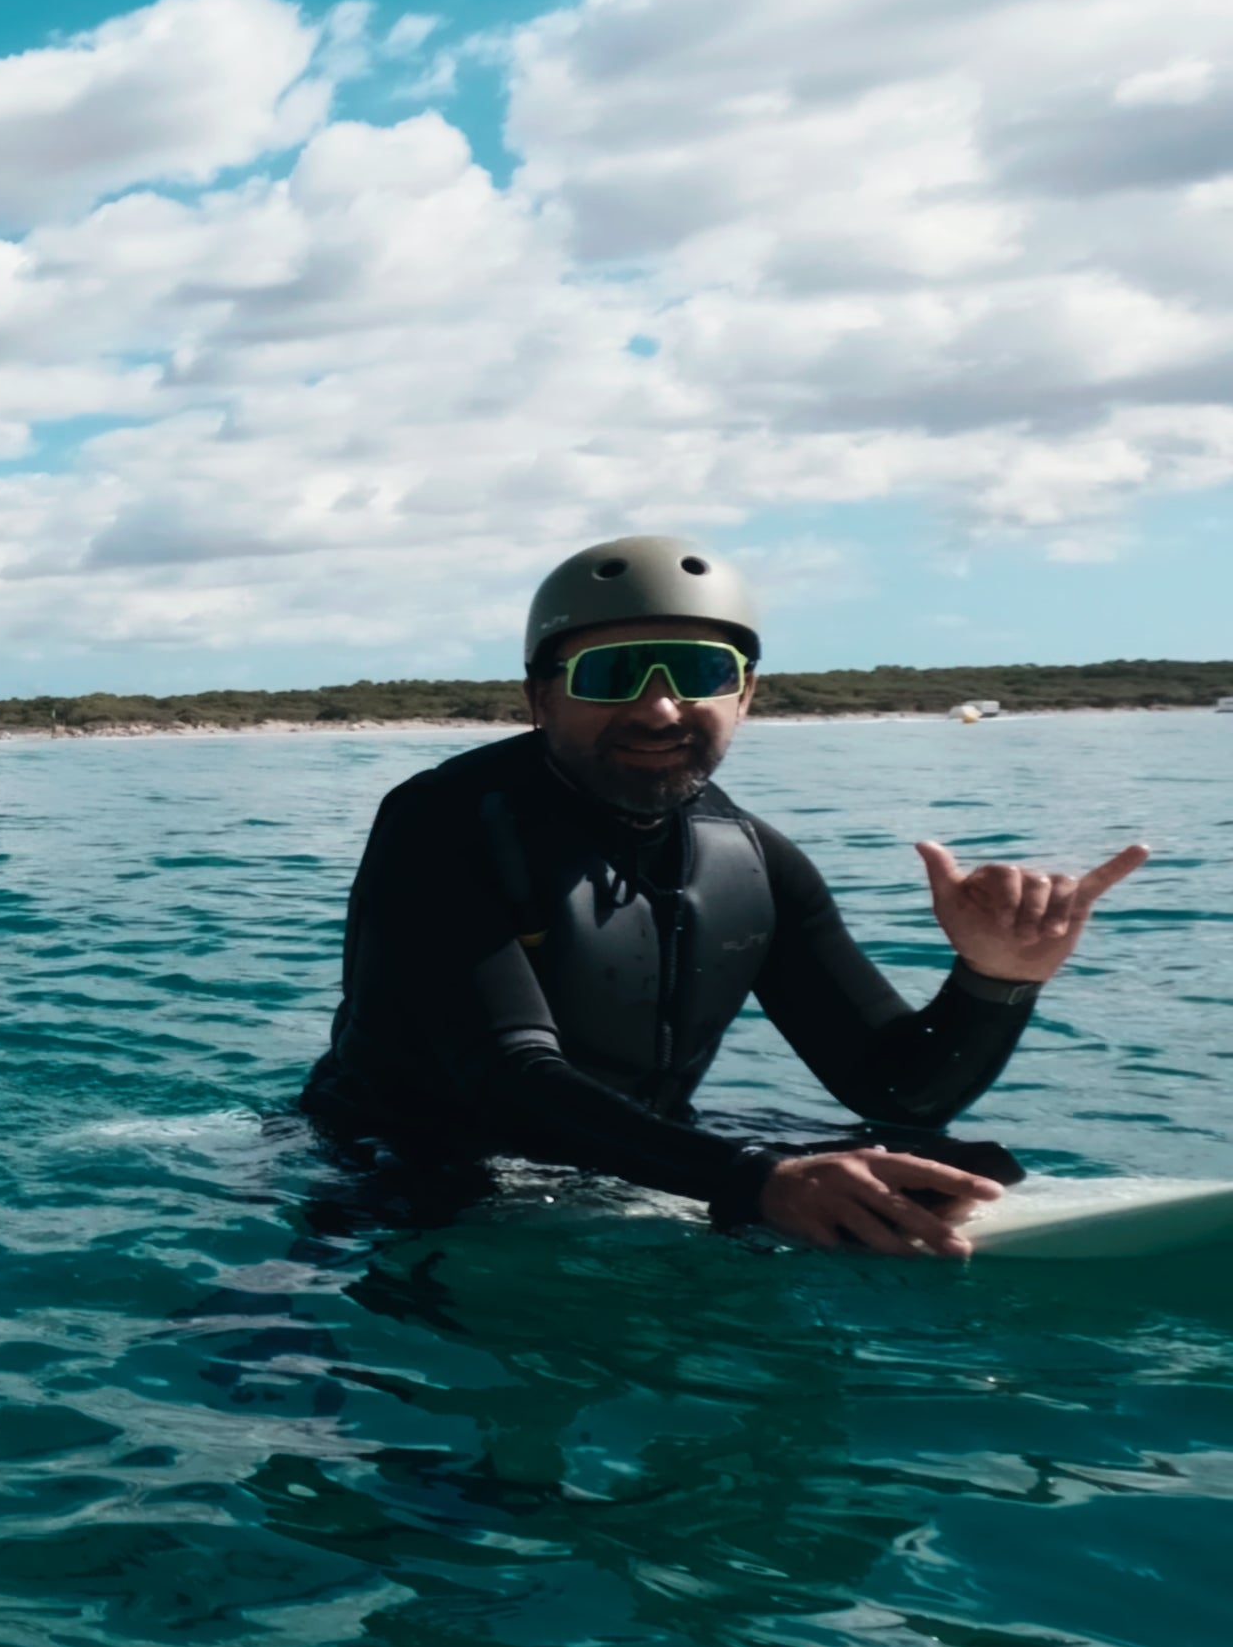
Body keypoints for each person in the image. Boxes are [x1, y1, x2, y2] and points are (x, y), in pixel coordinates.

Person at [299, 534, 1148, 1257]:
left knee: (966, 1167)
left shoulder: (748, 860)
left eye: (700, 671)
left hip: (627, 1159)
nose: (660, 706)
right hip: (394, 1171)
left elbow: (896, 1089)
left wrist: (995, 979)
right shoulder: (444, 825)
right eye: (614, 673)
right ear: (540, 696)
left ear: (744, 695)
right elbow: (502, 1076)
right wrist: (756, 1183)